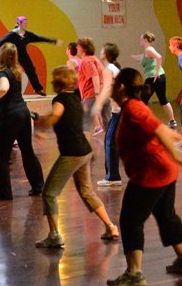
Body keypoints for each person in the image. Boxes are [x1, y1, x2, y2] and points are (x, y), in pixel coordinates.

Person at [106, 68, 182, 286]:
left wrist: (177, 153)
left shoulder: (133, 108)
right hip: (164, 169)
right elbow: (160, 127)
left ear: (121, 87)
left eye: (114, 83)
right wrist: (177, 138)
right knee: (166, 215)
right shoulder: (135, 106)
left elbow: (157, 130)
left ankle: (134, 273)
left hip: (151, 172)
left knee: (130, 220)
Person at [33, 66, 119, 248]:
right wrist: (42, 119)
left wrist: (41, 130)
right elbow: (60, 115)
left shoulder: (59, 100)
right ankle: (111, 227)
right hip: (84, 151)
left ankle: (54, 235)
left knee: (49, 193)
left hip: (71, 153)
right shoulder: (74, 98)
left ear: (57, 82)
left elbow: (56, 114)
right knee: (87, 191)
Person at [0, 43, 44, 200]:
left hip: (11, 116)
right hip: (24, 113)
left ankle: (4, 192)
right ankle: (38, 185)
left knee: (1, 153)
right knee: (27, 150)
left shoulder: (4, 73)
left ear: (2, 56)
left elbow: (4, 88)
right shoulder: (17, 72)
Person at [0, 16, 58, 95]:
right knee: (8, 72)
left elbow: (39, 38)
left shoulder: (27, 34)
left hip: (23, 55)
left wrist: (51, 41)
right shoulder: (12, 34)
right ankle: (1, 89)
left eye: (26, 23)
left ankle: (37, 89)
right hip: (12, 56)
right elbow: (1, 42)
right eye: (24, 23)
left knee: (31, 70)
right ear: (19, 24)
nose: (26, 25)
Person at [94, 42, 123, 187]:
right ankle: (112, 176)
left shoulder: (108, 69)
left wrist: (98, 104)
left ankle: (113, 177)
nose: (100, 52)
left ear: (105, 54)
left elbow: (106, 89)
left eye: (102, 50)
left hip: (119, 110)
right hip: (119, 109)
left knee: (110, 141)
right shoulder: (113, 68)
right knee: (110, 140)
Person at [135, 32, 176, 127]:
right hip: (161, 77)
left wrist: (156, 73)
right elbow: (143, 57)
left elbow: (159, 57)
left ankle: (144, 122)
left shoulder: (149, 49)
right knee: (163, 100)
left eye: (141, 39)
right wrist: (134, 57)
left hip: (153, 77)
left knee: (142, 99)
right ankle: (172, 121)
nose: (140, 41)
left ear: (145, 40)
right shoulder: (147, 51)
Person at [76, 37, 105, 143]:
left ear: (83, 48)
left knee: (85, 124)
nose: (77, 48)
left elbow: (95, 75)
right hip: (94, 94)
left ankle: (84, 148)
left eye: (78, 46)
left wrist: (97, 93)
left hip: (91, 95)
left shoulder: (87, 61)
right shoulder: (94, 59)